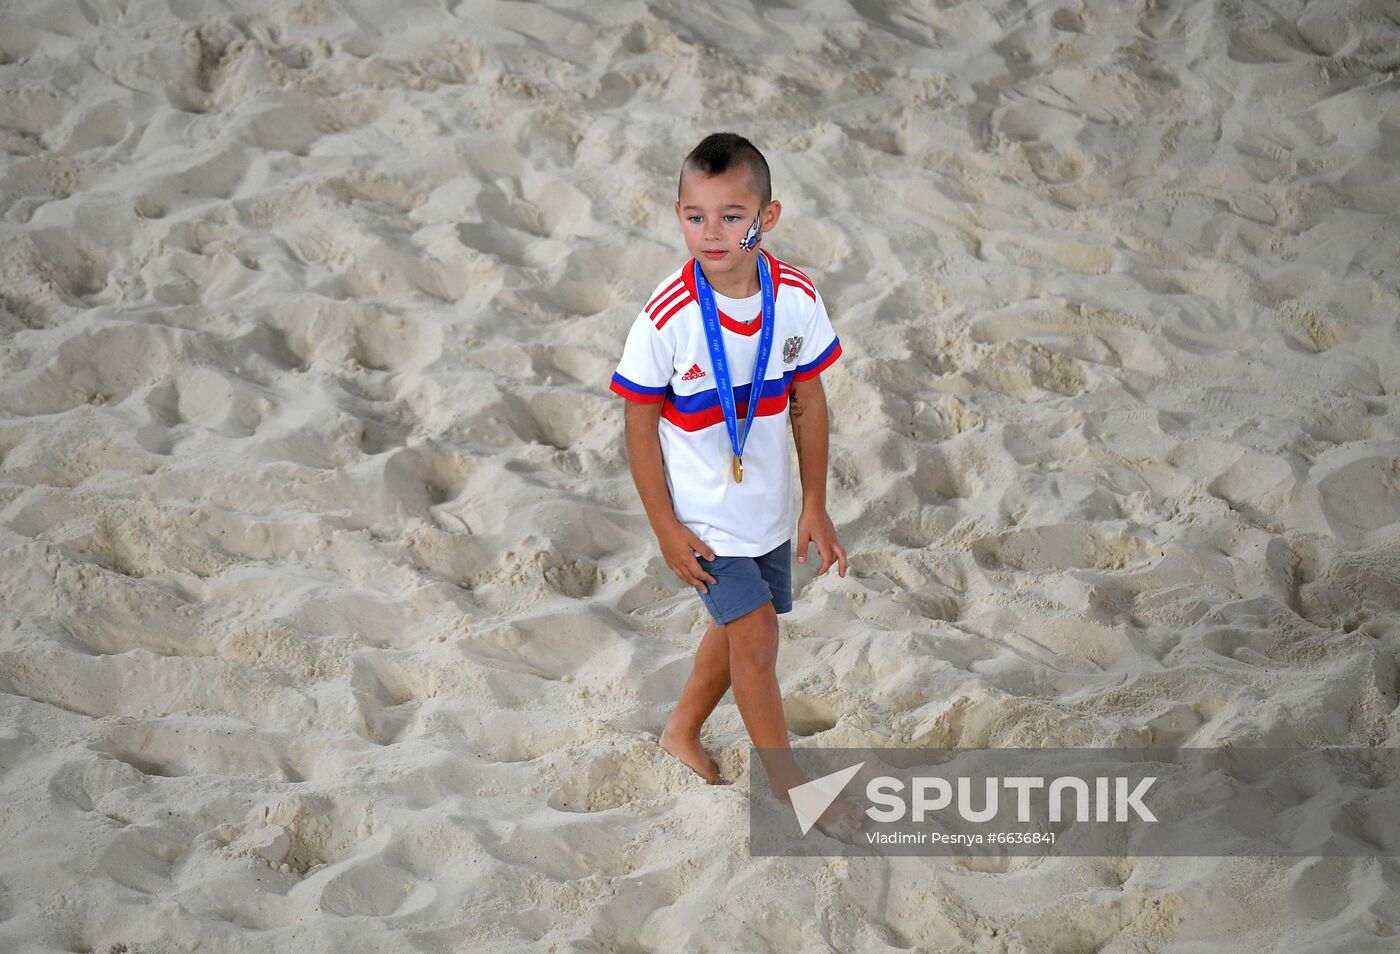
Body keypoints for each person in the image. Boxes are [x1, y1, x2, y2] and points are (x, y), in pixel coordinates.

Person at [609, 132, 864, 840]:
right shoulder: (667, 315)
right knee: (754, 637)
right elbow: (637, 428)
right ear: (678, 213)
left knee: (734, 636)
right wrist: (665, 528)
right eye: (695, 215)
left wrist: (815, 504)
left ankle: (681, 731)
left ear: (767, 217)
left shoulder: (798, 298)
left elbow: (810, 403)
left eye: (729, 215)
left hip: (769, 508)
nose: (710, 232)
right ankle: (794, 791)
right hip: (701, 516)